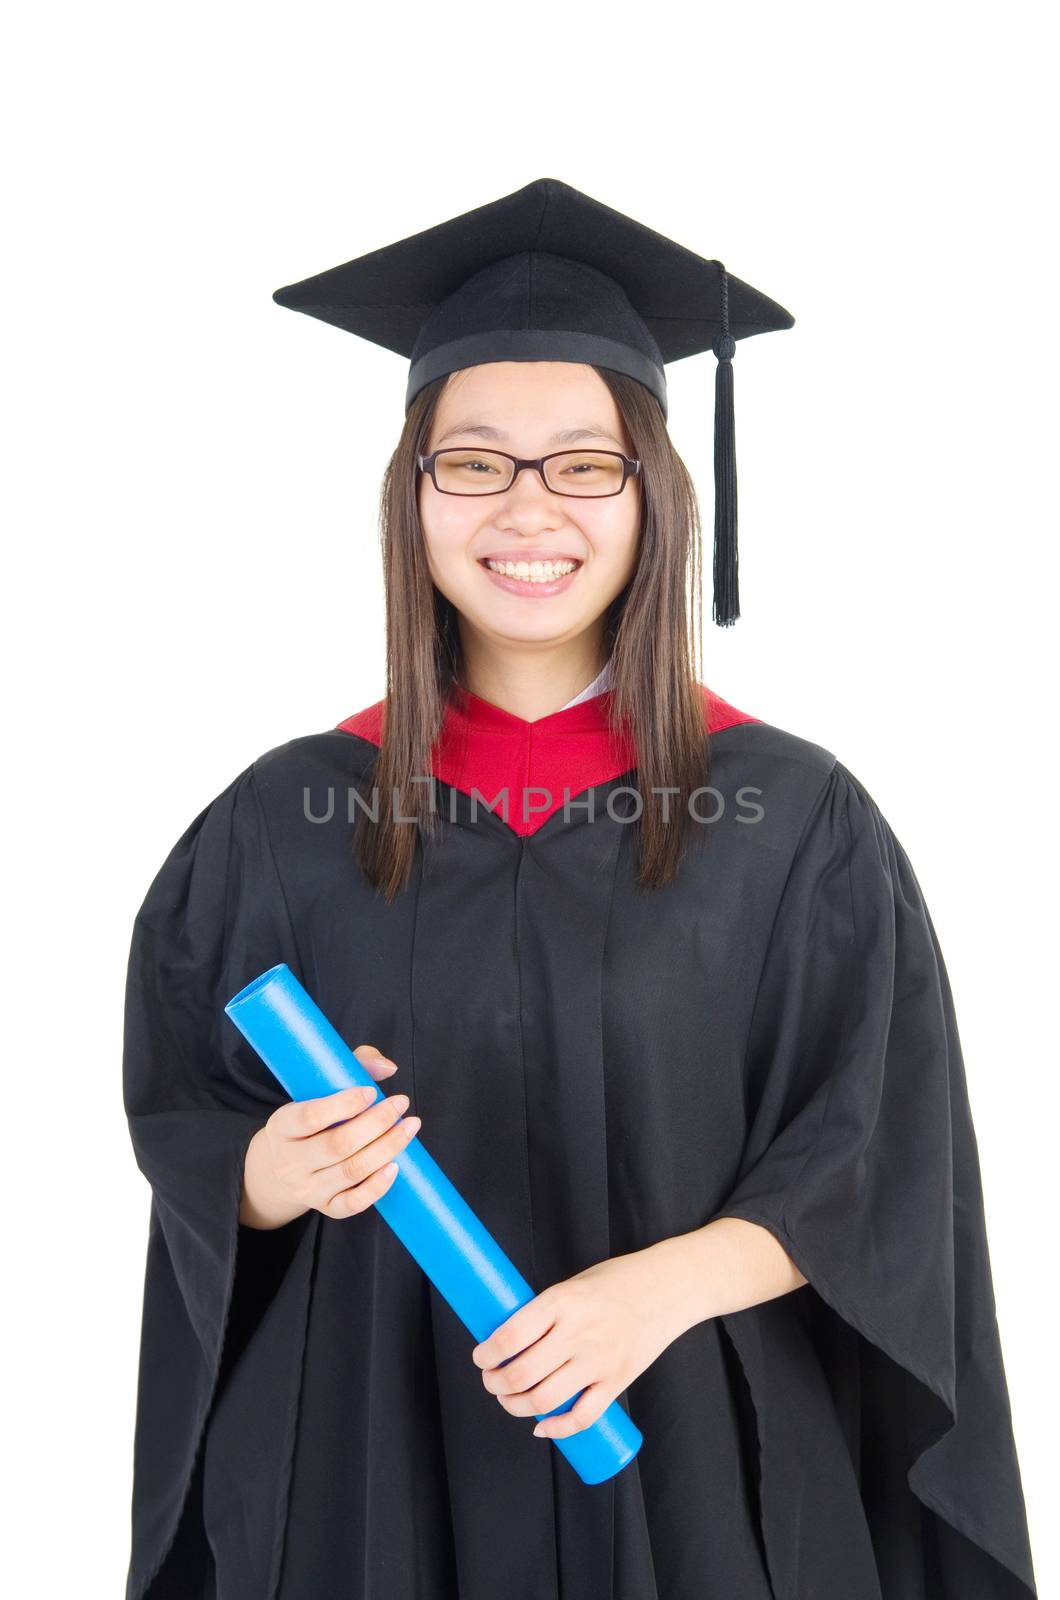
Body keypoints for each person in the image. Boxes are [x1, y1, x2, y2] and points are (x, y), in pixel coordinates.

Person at [122, 179, 1038, 1599]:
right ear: (413, 496)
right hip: (369, 1471)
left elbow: (874, 1149)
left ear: (655, 493)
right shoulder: (282, 822)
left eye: (582, 464)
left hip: (689, 1467)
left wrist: (650, 1295)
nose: (527, 508)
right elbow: (183, 1114)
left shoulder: (793, 820)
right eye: (474, 462)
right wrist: (271, 1170)